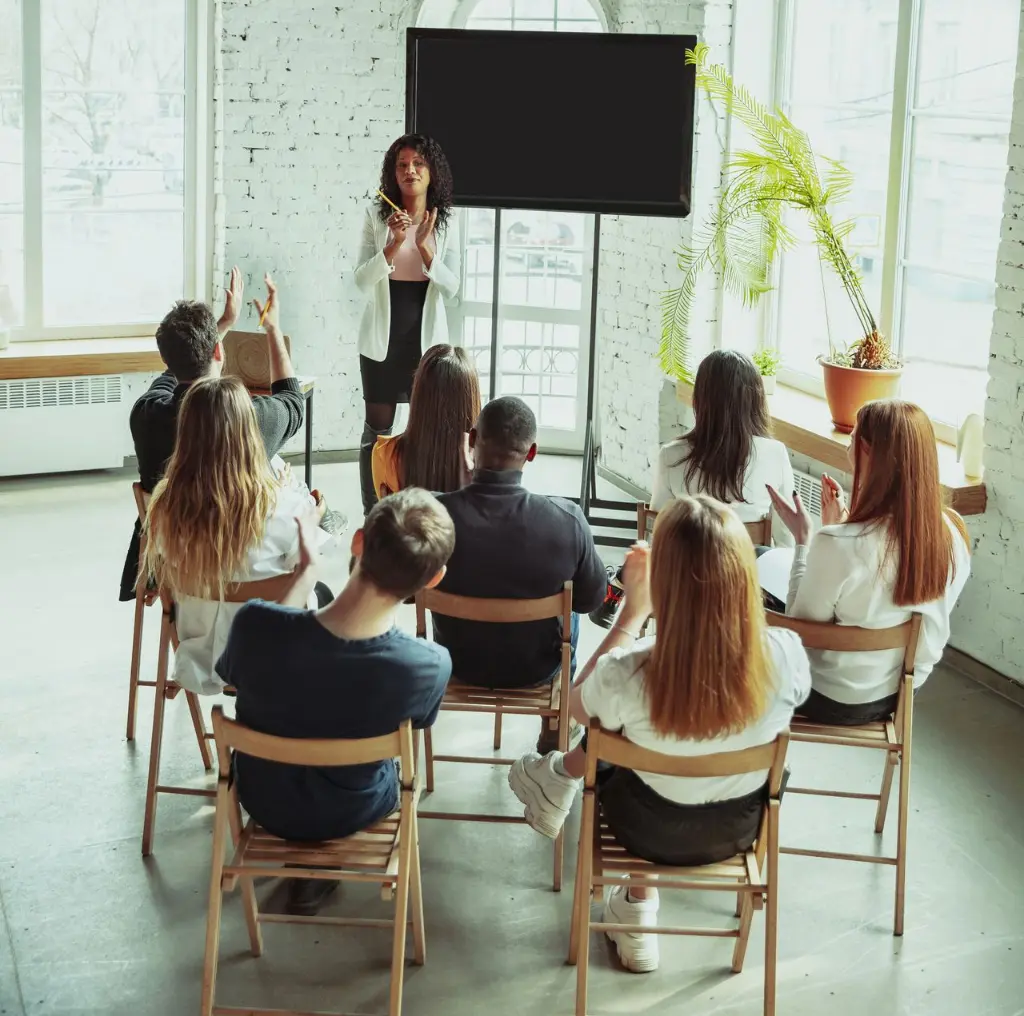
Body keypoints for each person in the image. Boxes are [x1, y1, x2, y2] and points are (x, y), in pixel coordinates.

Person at [508, 496, 811, 973]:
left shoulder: (630, 670)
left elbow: (573, 706)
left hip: (643, 831)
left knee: (619, 739)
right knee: (645, 739)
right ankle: (634, 908)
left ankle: (635, 898)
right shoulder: (786, 654)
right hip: (738, 829)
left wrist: (632, 612)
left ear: (663, 584)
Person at [215, 488, 455, 915]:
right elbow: (415, 724)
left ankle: (305, 868)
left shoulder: (253, 624)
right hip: (354, 808)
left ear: (357, 541)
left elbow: (239, 670)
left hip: (263, 800)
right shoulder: (428, 664)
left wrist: (304, 575)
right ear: (434, 579)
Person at [767, 398, 972, 725]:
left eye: (851, 441)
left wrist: (807, 539)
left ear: (864, 450)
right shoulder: (951, 536)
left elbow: (798, 631)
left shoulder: (837, 544)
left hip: (828, 698)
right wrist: (843, 527)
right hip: (899, 697)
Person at [142, 376, 337, 695]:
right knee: (321, 590)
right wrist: (313, 512)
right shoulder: (283, 507)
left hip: (200, 658)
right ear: (249, 433)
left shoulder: (164, 506)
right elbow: (314, 558)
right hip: (272, 661)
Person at [119, 271, 305, 602]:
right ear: (219, 353)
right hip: (242, 566)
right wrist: (272, 328)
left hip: (174, 567)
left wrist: (221, 326)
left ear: (165, 359)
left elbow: (168, 380)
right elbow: (292, 400)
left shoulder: (146, 415)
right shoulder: (252, 421)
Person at [432, 396, 607, 747]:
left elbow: (406, 594)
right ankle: (553, 731)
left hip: (456, 663)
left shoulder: (433, 514)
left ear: (471, 440)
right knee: (572, 612)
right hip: (535, 670)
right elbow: (592, 600)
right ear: (532, 453)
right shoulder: (567, 521)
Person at [591, 349, 793, 629]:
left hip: (685, 582)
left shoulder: (672, 455)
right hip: (744, 584)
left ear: (700, 401)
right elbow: (786, 538)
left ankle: (614, 595)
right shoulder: (775, 454)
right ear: (756, 400)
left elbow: (661, 529)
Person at [355, 134, 461, 516]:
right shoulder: (376, 215)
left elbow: (453, 288)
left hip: (427, 338)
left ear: (431, 173)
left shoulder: (446, 220)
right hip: (383, 335)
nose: (409, 170)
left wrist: (428, 252)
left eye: (418, 163)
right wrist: (393, 243)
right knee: (377, 432)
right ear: (392, 173)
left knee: (427, 434)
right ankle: (373, 513)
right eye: (401, 164)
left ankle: (421, 514)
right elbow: (361, 280)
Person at [371, 343, 480, 499]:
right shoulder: (488, 461)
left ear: (419, 392)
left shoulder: (385, 454)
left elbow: (390, 517)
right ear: (472, 397)